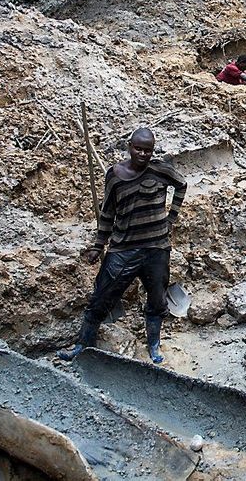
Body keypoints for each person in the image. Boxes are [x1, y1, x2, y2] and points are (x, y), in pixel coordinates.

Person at [57, 128, 187, 364]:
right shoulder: (115, 175)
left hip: (157, 248)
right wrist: (99, 245)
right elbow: (107, 212)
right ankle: (83, 346)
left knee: (157, 300)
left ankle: (154, 346)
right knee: (100, 297)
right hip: (123, 248)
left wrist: (171, 218)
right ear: (129, 146)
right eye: (139, 148)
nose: (143, 154)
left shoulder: (160, 169)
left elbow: (182, 185)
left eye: (148, 150)